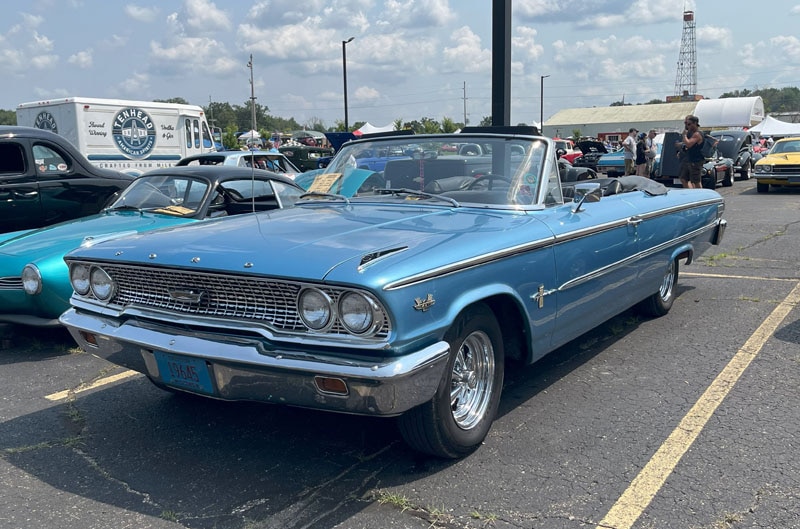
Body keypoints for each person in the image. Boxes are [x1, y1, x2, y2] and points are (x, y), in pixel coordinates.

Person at [675, 115, 705, 189]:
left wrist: (684, 136)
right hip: (688, 159)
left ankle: (700, 195)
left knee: (696, 181)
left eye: (689, 124)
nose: (687, 126)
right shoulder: (691, 133)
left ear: (695, 123)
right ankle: (690, 192)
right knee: (683, 178)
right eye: (685, 123)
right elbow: (686, 145)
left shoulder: (697, 134)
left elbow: (689, 144)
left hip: (695, 161)